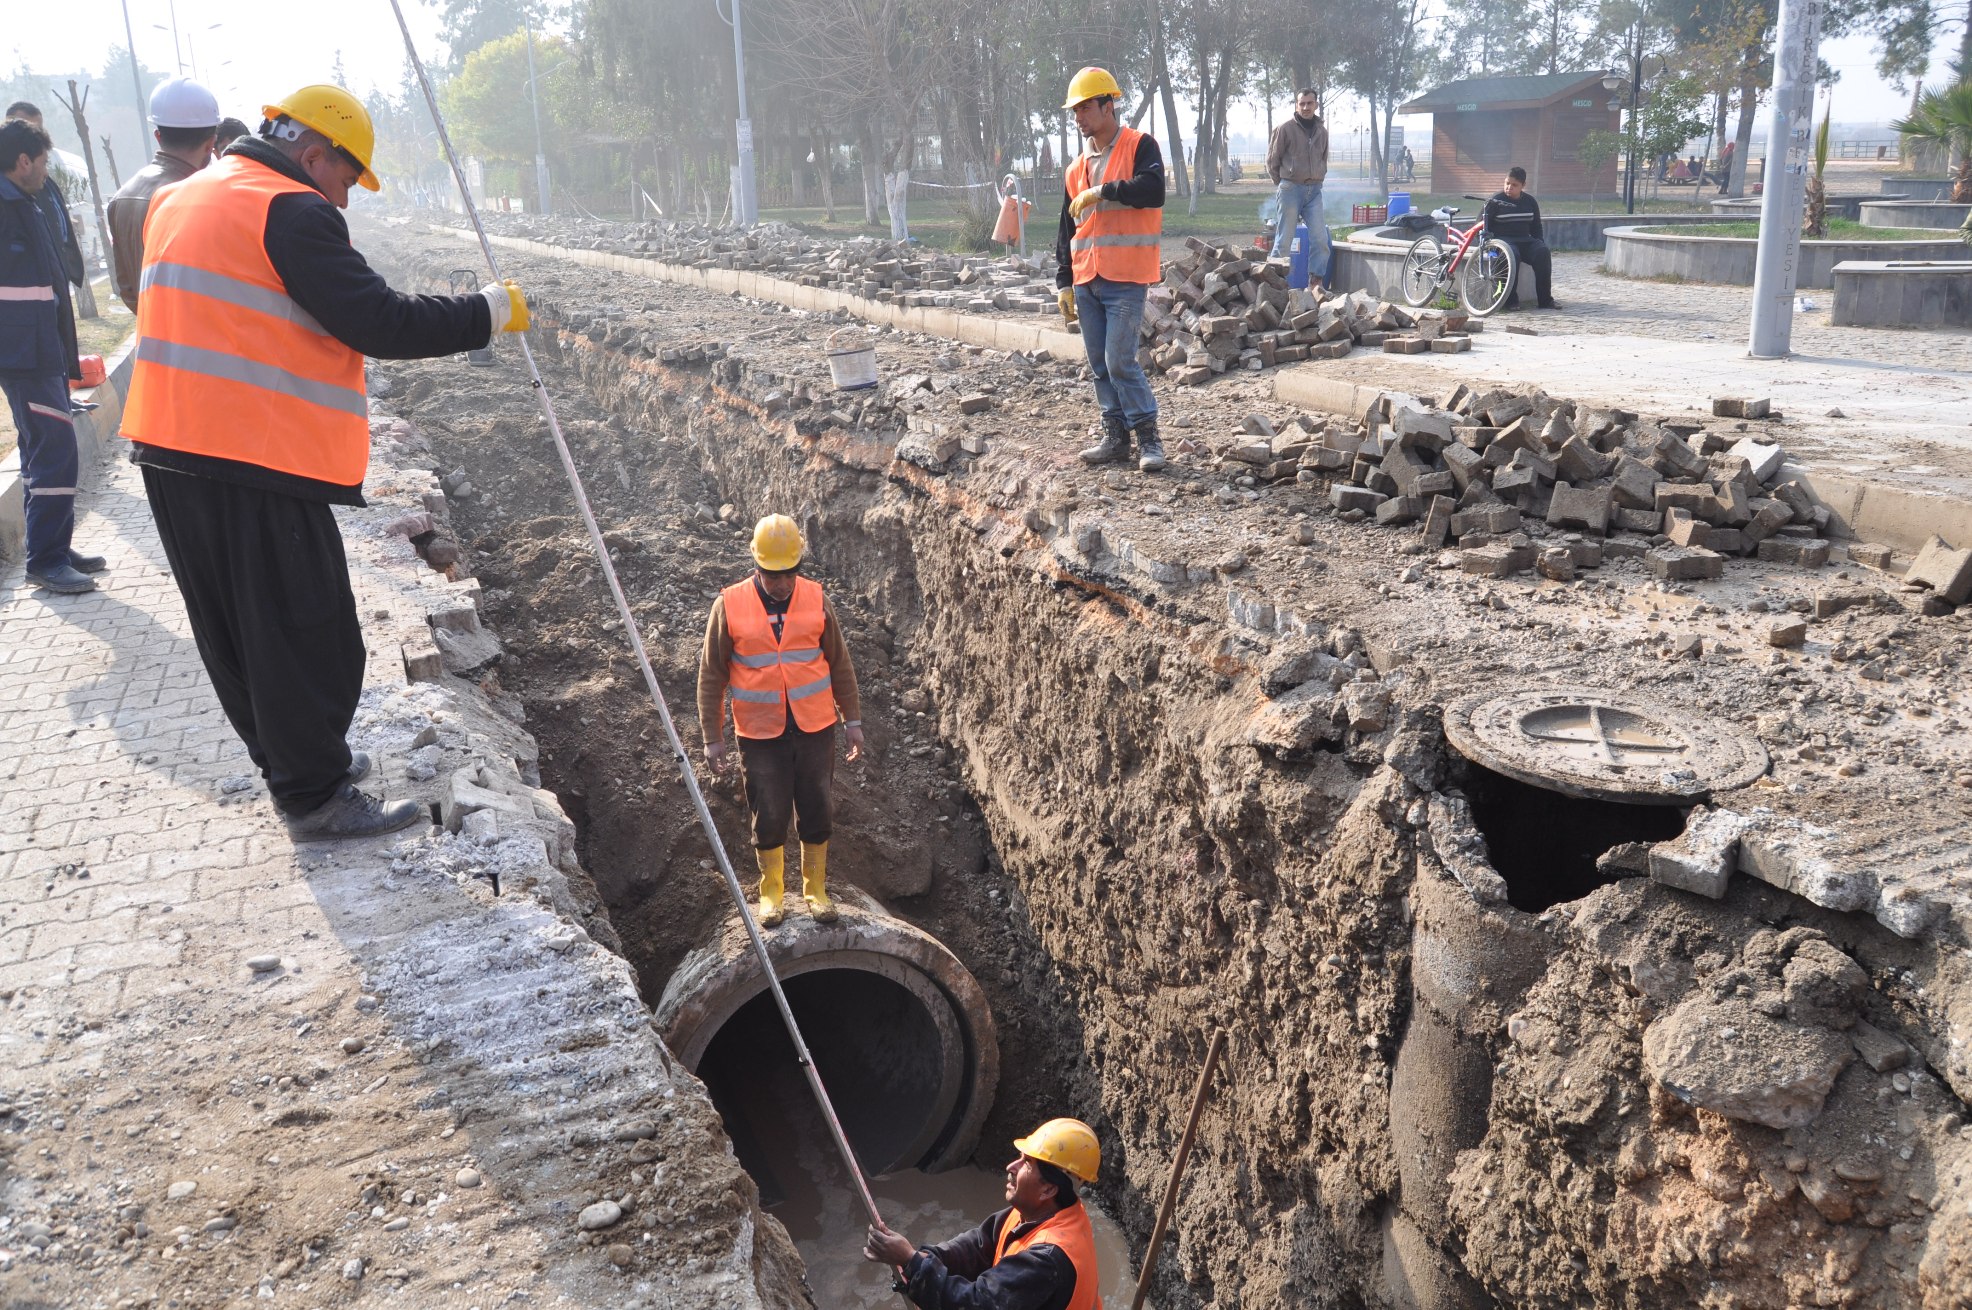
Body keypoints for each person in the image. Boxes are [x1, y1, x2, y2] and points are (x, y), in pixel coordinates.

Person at [120, 84, 530, 840]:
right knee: (309, 632)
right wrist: (488, 311)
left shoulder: (190, 194)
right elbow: (377, 318)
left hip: (168, 447)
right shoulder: (289, 207)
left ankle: (299, 770)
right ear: (313, 156)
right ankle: (314, 795)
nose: (343, 201)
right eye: (346, 181)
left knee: (238, 632)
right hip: (246, 455)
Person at [697, 515, 864, 926]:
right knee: (768, 813)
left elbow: (839, 664)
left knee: (816, 807)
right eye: (773, 574)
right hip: (759, 732)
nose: (782, 582)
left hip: (815, 726)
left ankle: (815, 889)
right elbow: (711, 675)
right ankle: (772, 892)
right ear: (756, 565)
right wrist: (712, 737)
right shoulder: (730, 604)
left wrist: (853, 720)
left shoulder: (816, 598)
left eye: (789, 572)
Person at [1, 116, 101, 594]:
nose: (45, 171)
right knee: (54, 452)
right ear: (23, 161)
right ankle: (45, 559)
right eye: (41, 163)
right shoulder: (5, 209)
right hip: (24, 355)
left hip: (44, 350)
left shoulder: (26, 202)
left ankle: (55, 545)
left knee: (42, 449)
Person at [865, 1118, 1103, 1310]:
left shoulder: (1046, 1259)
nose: (1011, 1167)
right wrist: (923, 1258)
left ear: (1049, 1189)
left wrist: (911, 1263)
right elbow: (978, 1247)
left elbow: (975, 1304)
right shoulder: (1042, 1213)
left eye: (1027, 1163)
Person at [1054, 66, 1165, 474]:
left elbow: (1154, 192)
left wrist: (1103, 192)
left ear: (1108, 105)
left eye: (1085, 108)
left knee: (1120, 360)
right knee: (1099, 364)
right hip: (1087, 279)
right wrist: (1063, 281)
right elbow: (1066, 227)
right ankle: (1115, 437)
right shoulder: (1074, 167)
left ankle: (1149, 437)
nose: (1079, 117)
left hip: (1125, 278)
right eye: (1075, 110)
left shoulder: (1140, 147)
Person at [106, 77, 220, 314]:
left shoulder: (121, 198)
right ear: (210, 145)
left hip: (150, 336)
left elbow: (125, 286)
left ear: (157, 135)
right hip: (202, 340)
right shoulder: (206, 199)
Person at [1266, 88, 1330, 277]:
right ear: (1296, 105)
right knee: (1284, 240)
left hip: (1314, 191)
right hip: (1290, 189)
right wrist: (1283, 183)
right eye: (1302, 103)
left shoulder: (1322, 131)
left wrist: (1319, 177)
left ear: (1316, 105)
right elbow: (1272, 161)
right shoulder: (1284, 129)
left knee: (1320, 239)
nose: (1305, 107)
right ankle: (1274, 283)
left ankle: (1315, 284)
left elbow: (1323, 158)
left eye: (1309, 103)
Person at [1482, 166, 1559, 311]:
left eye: (1514, 185)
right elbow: (1481, 225)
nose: (1509, 187)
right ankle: (1510, 301)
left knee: (1542, 252)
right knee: (1512, 255)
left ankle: (1545, 300)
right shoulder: (1495, 201)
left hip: (1525, 241)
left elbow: (1536, 226)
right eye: (1507, 183)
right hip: (1503, 242)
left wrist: (1539, 241)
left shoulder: (1530, 202)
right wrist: (1490, 244)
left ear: (1523, 186)